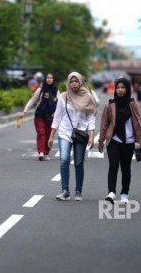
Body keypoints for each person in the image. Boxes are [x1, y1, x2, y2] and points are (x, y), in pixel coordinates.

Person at [48, 72, 97, 201]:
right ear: (68, 83)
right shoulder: (63, 97)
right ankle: (65, 191)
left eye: (76, 81)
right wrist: (51, 136)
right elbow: (57, 117)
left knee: (79, 163)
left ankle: (78, 191)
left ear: (80, 82)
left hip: (80, 133)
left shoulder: (87, 97)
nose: (74, 84)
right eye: (71, 81)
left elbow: (91, 117)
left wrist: (92, 136)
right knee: (64, 159)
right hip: (65, 132)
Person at [98, 77, 141, 204]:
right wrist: (101, 140)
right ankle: (111, 192)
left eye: (123, 87)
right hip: (114, 140)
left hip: (129, 141)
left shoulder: (133, 104)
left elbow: (139, 122)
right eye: (118, 87)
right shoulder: (110, 104)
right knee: (113, 166)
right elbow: (104, 124)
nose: (120, 90)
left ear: (127, 89)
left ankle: (125, 194)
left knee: (126, 168)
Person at [19, 73, 59, 161]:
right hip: (40, 114)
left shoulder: (56, 91)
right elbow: (32, 101)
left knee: (49, 135)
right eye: (47, 78)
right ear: (45, 79)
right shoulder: (40, 90)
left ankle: (46, 153)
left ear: (53, 80)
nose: (49, 79)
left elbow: (60, 105)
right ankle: (41, 152)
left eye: (51, 78)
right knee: (41, 132)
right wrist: (24, 111)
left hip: (50, 115)